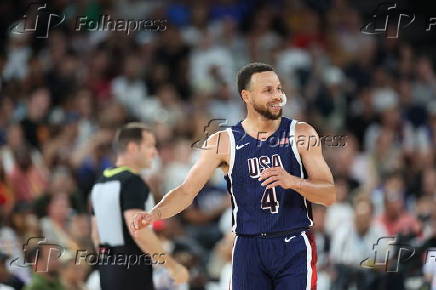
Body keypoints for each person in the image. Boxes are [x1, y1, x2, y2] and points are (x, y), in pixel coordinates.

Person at [132, 63, 336, 289]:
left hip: (294, 242)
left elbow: (328, 195)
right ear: (246, 96)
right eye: (268, 90)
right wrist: (156, 213)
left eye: (279, 89)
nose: (278, 96)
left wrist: (293, 181)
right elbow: (187, 191)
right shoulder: (223, 142)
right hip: (248, 246)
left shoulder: (301, 133)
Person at [90, 123, 189, 290]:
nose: (154, 152)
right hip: (133, 274)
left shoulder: (100, 182)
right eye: (149, 146)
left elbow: (96, 235)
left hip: (108, 273)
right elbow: (138, 230)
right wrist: (173, 266)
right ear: (133, 148)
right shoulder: (132, 181)